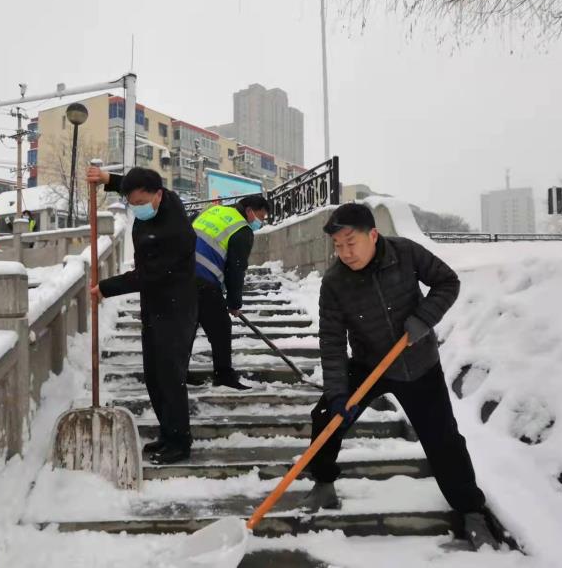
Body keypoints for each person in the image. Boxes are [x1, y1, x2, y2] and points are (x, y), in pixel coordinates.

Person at [303, 202, 499, 551]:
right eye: (338, 246)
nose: (345, 253)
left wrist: (422, 320)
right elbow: (331, 341)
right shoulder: (335, 282)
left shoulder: (405, 253)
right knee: (326, 417)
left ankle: (471, 510)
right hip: (368, 363)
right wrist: (337, 395)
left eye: (351, 243)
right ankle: (323, 480)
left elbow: (446, 282)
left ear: (373, 236)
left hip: (417, 361)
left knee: (443, 440)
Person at [87, 166, 197, 465]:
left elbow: (148, 276)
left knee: (170, 377)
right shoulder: (164, 196)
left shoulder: (176, 232)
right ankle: (168, 432)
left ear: (157, 196)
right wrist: (109, 180)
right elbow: (133, 184)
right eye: (131, 204)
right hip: (154, 306)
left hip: (176, 308)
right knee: (153, 375)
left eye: (139, 204)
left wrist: (105, 288)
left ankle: (179, 442)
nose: (136, 209)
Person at [188, 195, 270, 390]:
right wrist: (234, 303)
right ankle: (224, 376)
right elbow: (236, 268)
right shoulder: (242, 229)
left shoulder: (214, 210)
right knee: (221, 329)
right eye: (260, 217)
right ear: (249, 211)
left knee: (187, 326)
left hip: (179, 274)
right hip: (203, 279)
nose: (261, 222)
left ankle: (178, 371)